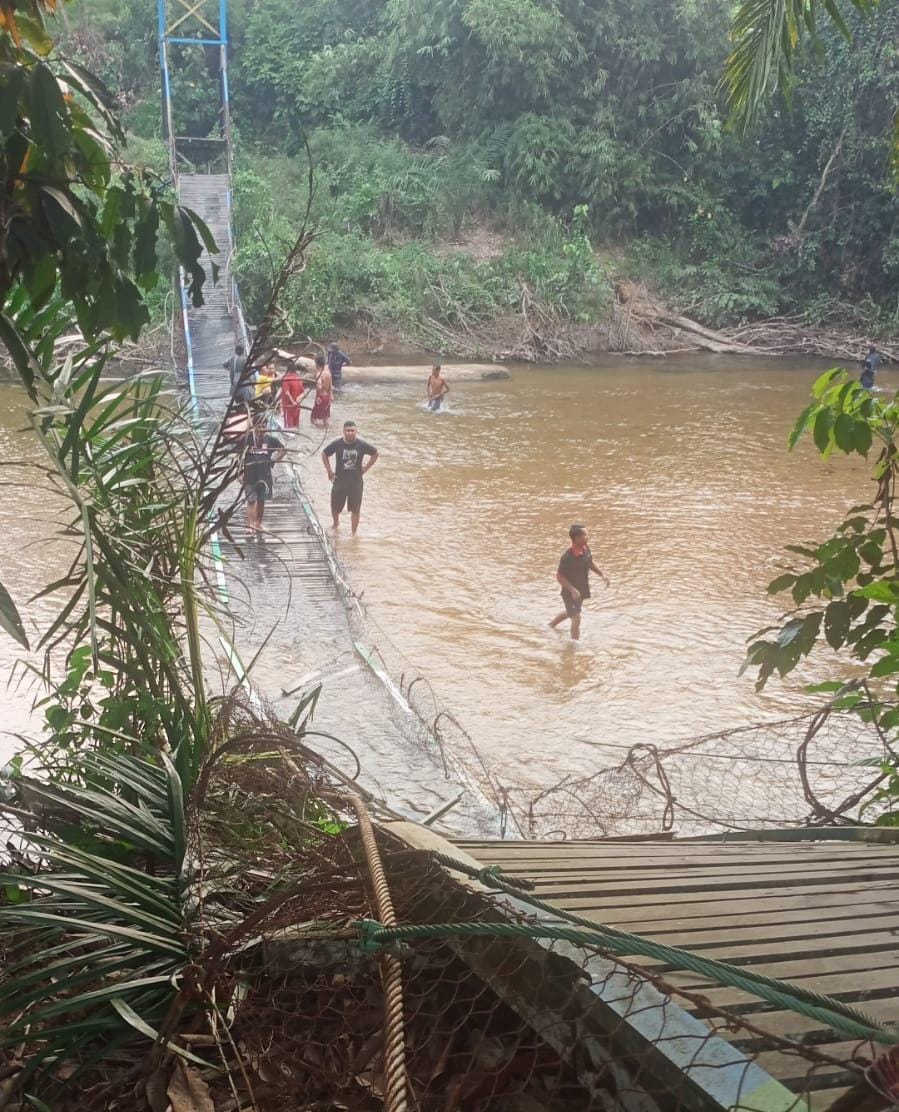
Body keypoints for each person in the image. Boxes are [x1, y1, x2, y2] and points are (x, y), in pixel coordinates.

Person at [549, 524, 609, 641]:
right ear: (576, 538)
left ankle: (550, 625)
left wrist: (602, 575)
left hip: (581, 591)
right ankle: (574, 645)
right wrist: (573, 591)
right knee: (576, 618)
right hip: (569, 593)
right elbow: (559, 576)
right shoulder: (567, 556)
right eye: (585, 535)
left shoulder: (586, 549)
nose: (588, 537)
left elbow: (590, 563)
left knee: (571, 612)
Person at [322, 420, 378, 534]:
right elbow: (324, 454)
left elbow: (375, 453)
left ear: (356, 431)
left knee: (355, 510)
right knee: (335, 508)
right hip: (339, 481)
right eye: (348, 430)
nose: (350, 433)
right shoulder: (337, 444)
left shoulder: (361, 445)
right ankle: (336, 524)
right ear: (343, 431)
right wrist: (329, 471)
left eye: (352, 430)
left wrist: (366, 468)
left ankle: (353, 533)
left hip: (356, 482)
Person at [241, 416, 286, 535]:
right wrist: (239, 473)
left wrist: (274, 459)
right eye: (259, 426)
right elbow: (238, 456)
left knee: (261, 501)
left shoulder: (271, 440)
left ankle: (258, 524)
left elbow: (283, 450)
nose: (262, 429)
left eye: (264, 426)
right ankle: (250, 526)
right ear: (254, 426)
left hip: (265, 476)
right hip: (250, 476)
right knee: (251, 501)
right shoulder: (247, 439)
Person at [280, 360, 304, 429]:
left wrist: (293, 402)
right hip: (297, 407)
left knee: (289, 428)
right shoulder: (299, 378)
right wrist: (299, 398)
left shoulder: (286, 379)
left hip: (288, 407)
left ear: (287, 369)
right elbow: (303, 392)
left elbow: (287, 393)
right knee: (296, 426)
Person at [310, 355, 333, 427]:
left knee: (314, 418)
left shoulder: (319, 374)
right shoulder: (328, 372)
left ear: (317, 364)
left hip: (320, 397)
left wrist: (318, 384)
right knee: (325, 418)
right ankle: (329, 430)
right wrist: (331, 396)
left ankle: (319, 431)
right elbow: (330, 386)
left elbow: (319, 386)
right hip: (327, 397)